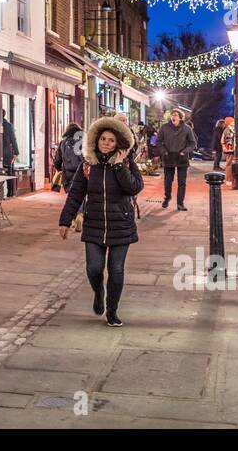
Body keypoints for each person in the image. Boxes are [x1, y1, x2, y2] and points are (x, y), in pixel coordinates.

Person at [57, 115, 143, 327]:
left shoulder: (127, 164)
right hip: (94, 223)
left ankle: (112, 311)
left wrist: (120, 166)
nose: (106, 143)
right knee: (94, 268)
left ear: (118, 143)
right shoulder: (88, 166)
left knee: (116, 270)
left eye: (111, 140)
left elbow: (134, 188)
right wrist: (65, 221)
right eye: (103, 139)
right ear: (96, 140)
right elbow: (76, 194)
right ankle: (98, 291)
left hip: (121, 225)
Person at [157, 108, 198, 211]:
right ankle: (167, 197)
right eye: (172, 115)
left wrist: (185, 151)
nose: (173, 117)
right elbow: (158, 141)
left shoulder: (187, 128)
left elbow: (193, 143)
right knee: (168, 181)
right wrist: (164, 152)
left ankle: (180, 203)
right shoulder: (164, 127)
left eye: (175, 115)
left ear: (180, 117)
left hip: (182, 157)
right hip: (168, 157)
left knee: (182, 182)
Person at [54, 122, 84, 191]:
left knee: (71, 195)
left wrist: (59, 169)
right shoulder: (83, 142)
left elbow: (57, 160)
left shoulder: (63, 143)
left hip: (67, 175)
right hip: (81, 173)